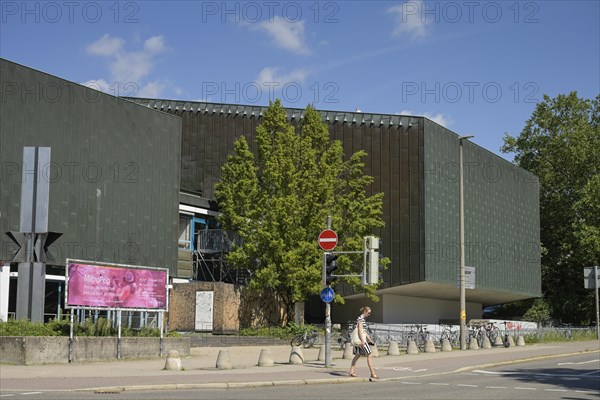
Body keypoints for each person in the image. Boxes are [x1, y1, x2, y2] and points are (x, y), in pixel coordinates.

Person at [349, 306, 378, 379]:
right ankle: (372, 373)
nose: (369, 314)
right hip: (361, 341)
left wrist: (370, 340)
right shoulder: (361, 319)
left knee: (357, 355)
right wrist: (363, 340)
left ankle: (351, 371)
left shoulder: (361, 319)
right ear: (365, 311)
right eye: (368, 313)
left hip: (359, 340)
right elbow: (359, 330)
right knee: (370, 354)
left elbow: (363, 331)